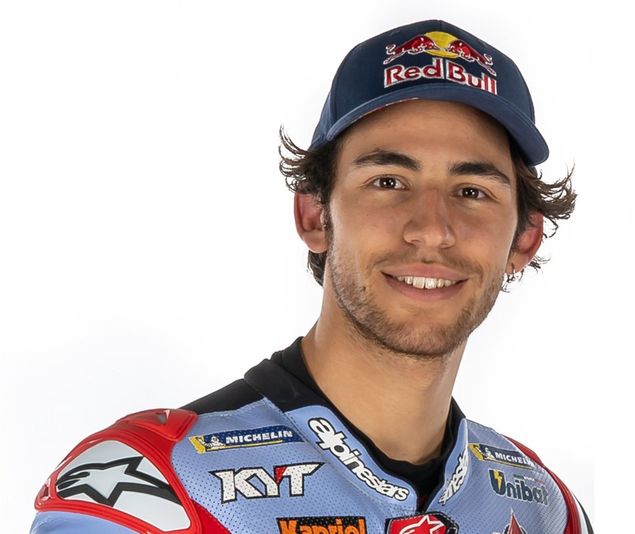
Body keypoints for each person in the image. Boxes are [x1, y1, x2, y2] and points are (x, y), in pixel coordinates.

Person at [30, 19, 592, 534]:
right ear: (314, 215)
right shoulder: (150, 493)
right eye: (388, 182)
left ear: (525, 238)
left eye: (472, 191)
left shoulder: (545, 510)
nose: (430, 230)